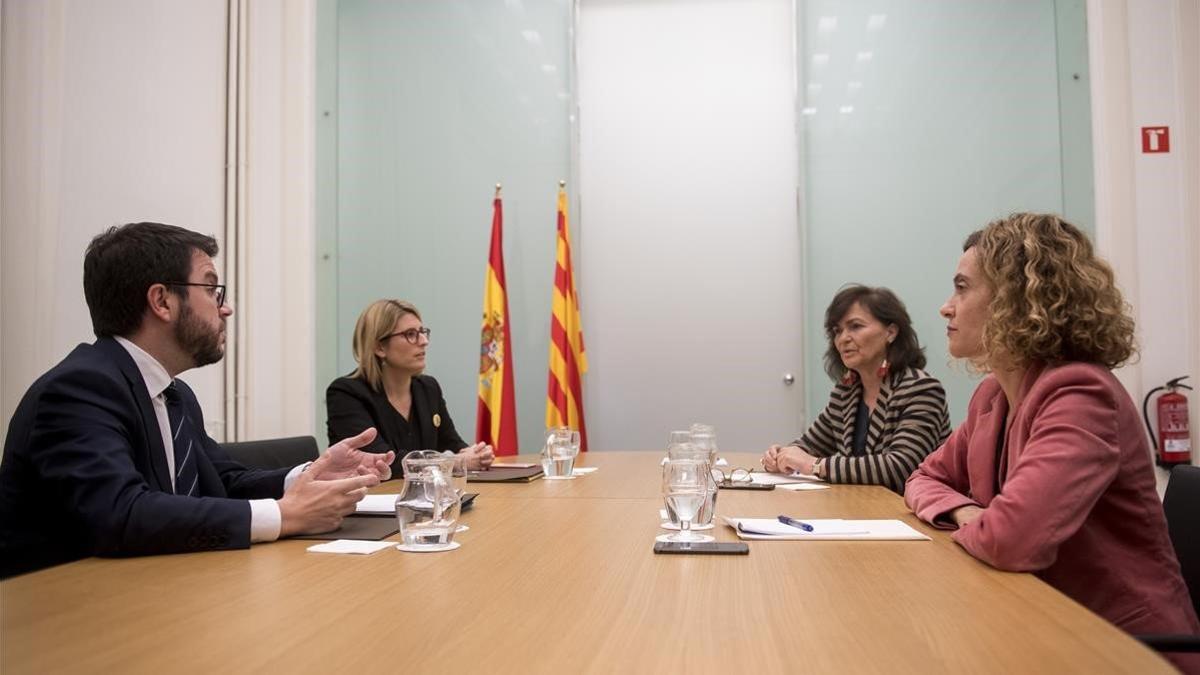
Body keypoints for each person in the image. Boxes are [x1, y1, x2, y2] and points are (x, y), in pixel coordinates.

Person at [0, 222, 394, 579]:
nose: (225, 307)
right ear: (162, 301)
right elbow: (119, 513)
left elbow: (222, 481)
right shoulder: (81, 388)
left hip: (163, 589)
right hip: (75, 617)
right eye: (210, 288)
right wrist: (283, 515)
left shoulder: (175, 394)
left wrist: (311, 475)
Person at [905, 213, 1200, 650]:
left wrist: (984, 524)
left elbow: (1012, 540)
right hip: (1035, 619)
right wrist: (965, 513)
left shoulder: (1080, 393)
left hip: (1122, 645)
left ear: (1017, 299)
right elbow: (923, 477)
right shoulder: (992, 397)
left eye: (962, 288)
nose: (946, 306)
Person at [762, 285, 951, 493]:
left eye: (855, 326)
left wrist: (813, 465)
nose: (843, 338)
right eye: (838, 331)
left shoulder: (920, 389)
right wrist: (783, 454)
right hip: (864, 509)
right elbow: (809, 445)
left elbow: (901, 467)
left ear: (891, 332)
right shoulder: (847, 392)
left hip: (911, 516)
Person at [326, 299, 493, 474]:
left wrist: (476, 455)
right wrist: (454, 462)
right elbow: (383, 462)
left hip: (424, 499)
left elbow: (452, 443)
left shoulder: (428, 388)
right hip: (368, 498)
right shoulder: (346, 394)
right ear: (379, 347)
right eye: (410, 334)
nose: (423, 341)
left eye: (422, 332)